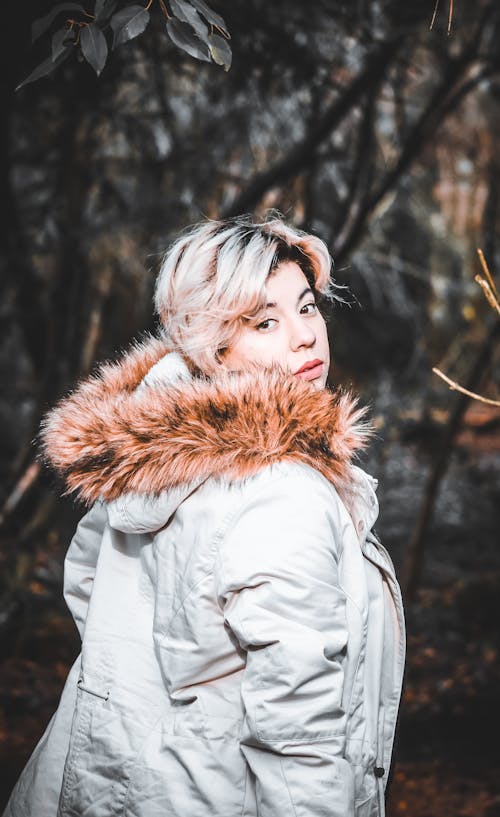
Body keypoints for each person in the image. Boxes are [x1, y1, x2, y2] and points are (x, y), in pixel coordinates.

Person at [4, 214, 405, 817]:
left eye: (306, 307)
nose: (304, 337)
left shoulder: (139, 464)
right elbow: (299, 743)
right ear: (214, 345)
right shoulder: (284, 492)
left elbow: (90, 586)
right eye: (265, 322)